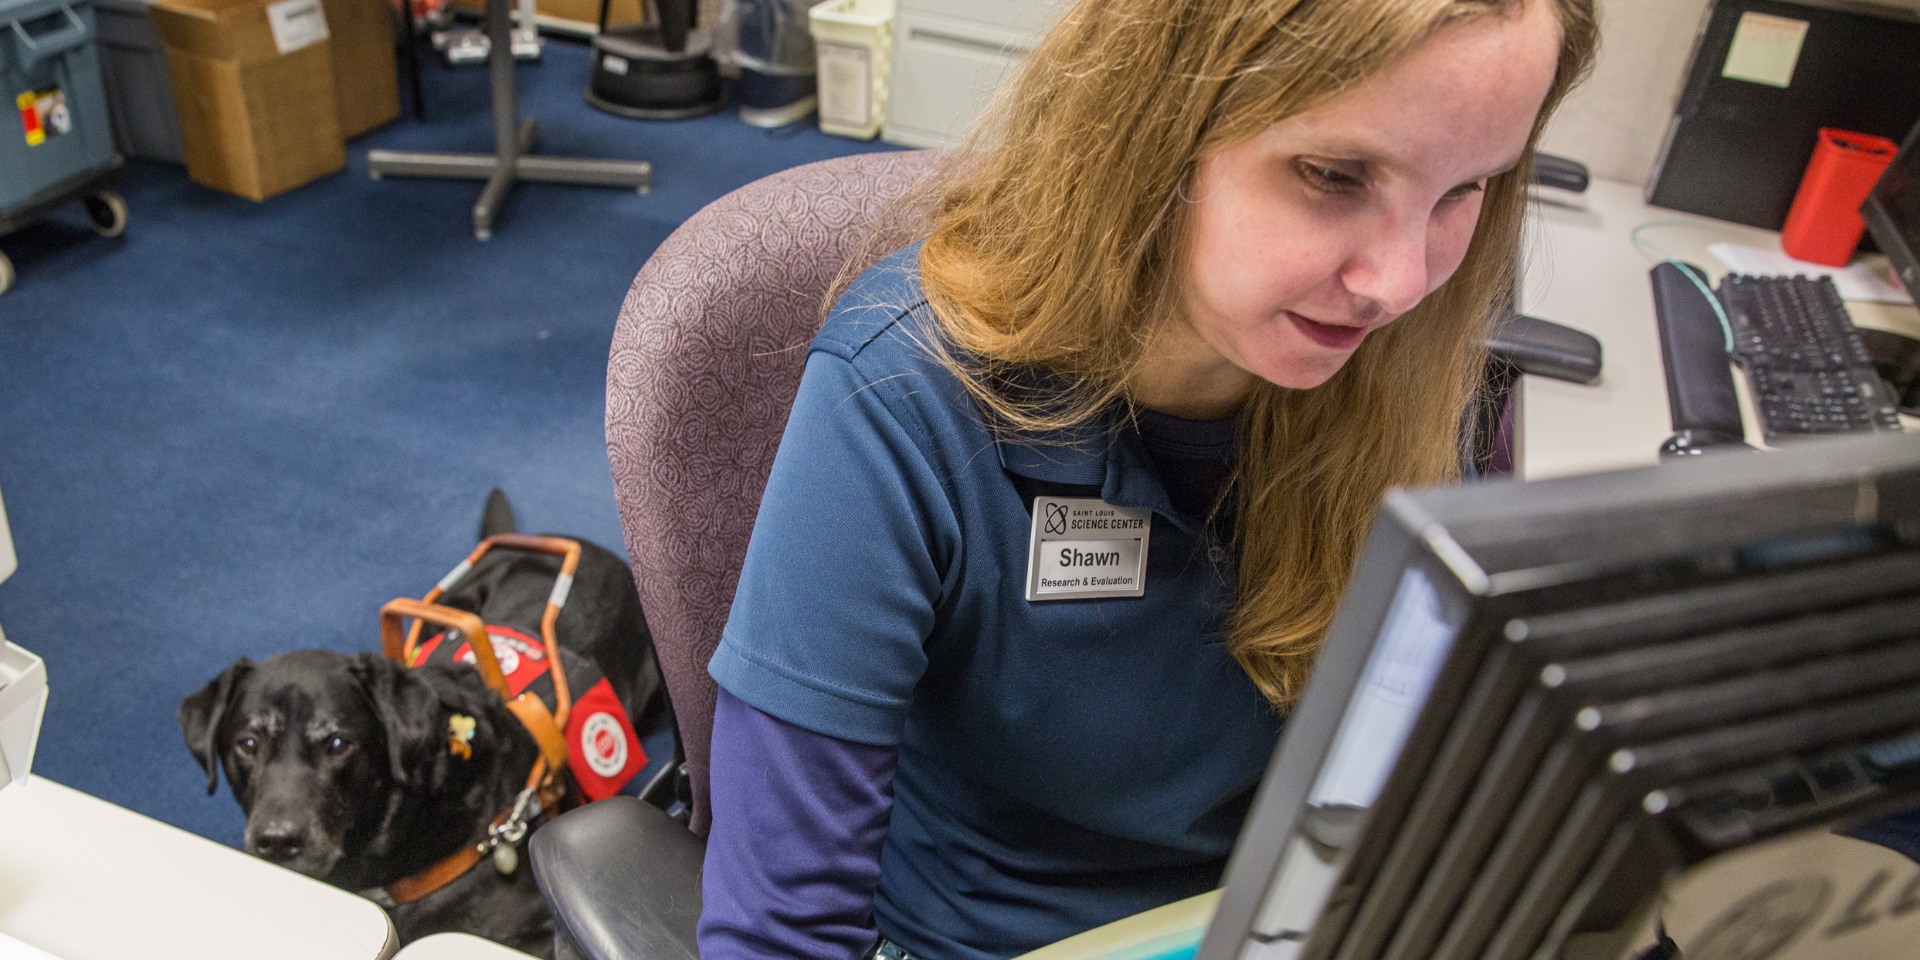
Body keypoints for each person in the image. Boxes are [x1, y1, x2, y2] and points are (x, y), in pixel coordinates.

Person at [698, 2, 1597, 960]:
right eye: (1335, 177)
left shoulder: (1402, 367)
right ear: (1157, 125)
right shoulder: (901, 392)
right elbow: (778, 934)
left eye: (1467, 190)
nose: (1401, 281)